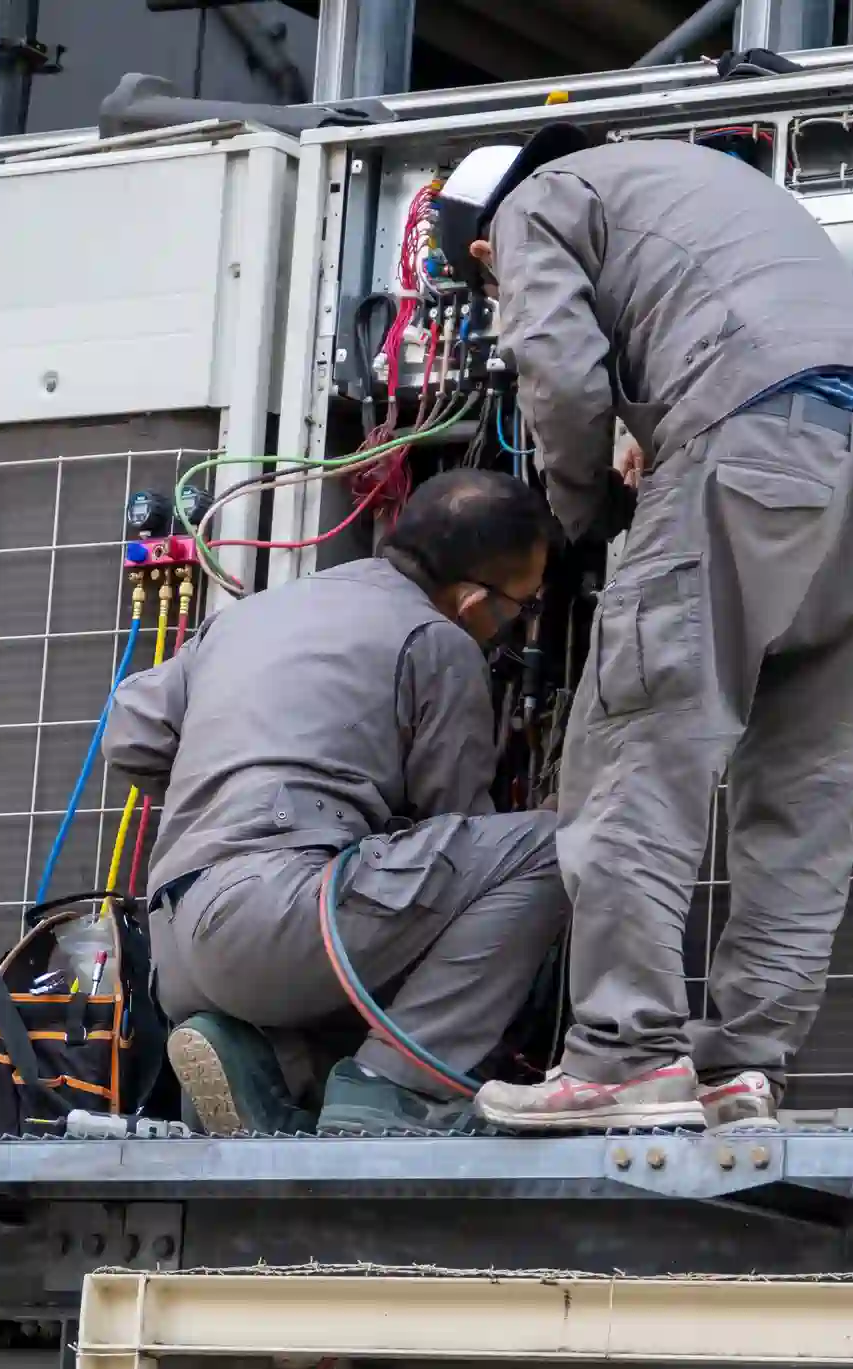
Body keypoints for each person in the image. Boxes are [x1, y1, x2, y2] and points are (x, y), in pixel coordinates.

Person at [449, 127, 853, 1132]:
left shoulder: (540, 202)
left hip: (745, 453)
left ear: (485, 252)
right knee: (808, 800)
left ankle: (623, 1055)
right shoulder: (694, 184)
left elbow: (561, 372)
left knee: (636, 763)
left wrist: (575, 519)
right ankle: (742, 1067)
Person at [105, 469, 568, 1136]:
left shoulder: (252, 614)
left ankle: (265, 1061)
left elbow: (132, 730)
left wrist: (216, 800)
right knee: (544, 850)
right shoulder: (437, 642)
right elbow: (457, 835)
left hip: (174, 947)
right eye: (517, 608)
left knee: (358, 895)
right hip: (278, 923)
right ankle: (399, 1085)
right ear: (471, 601)